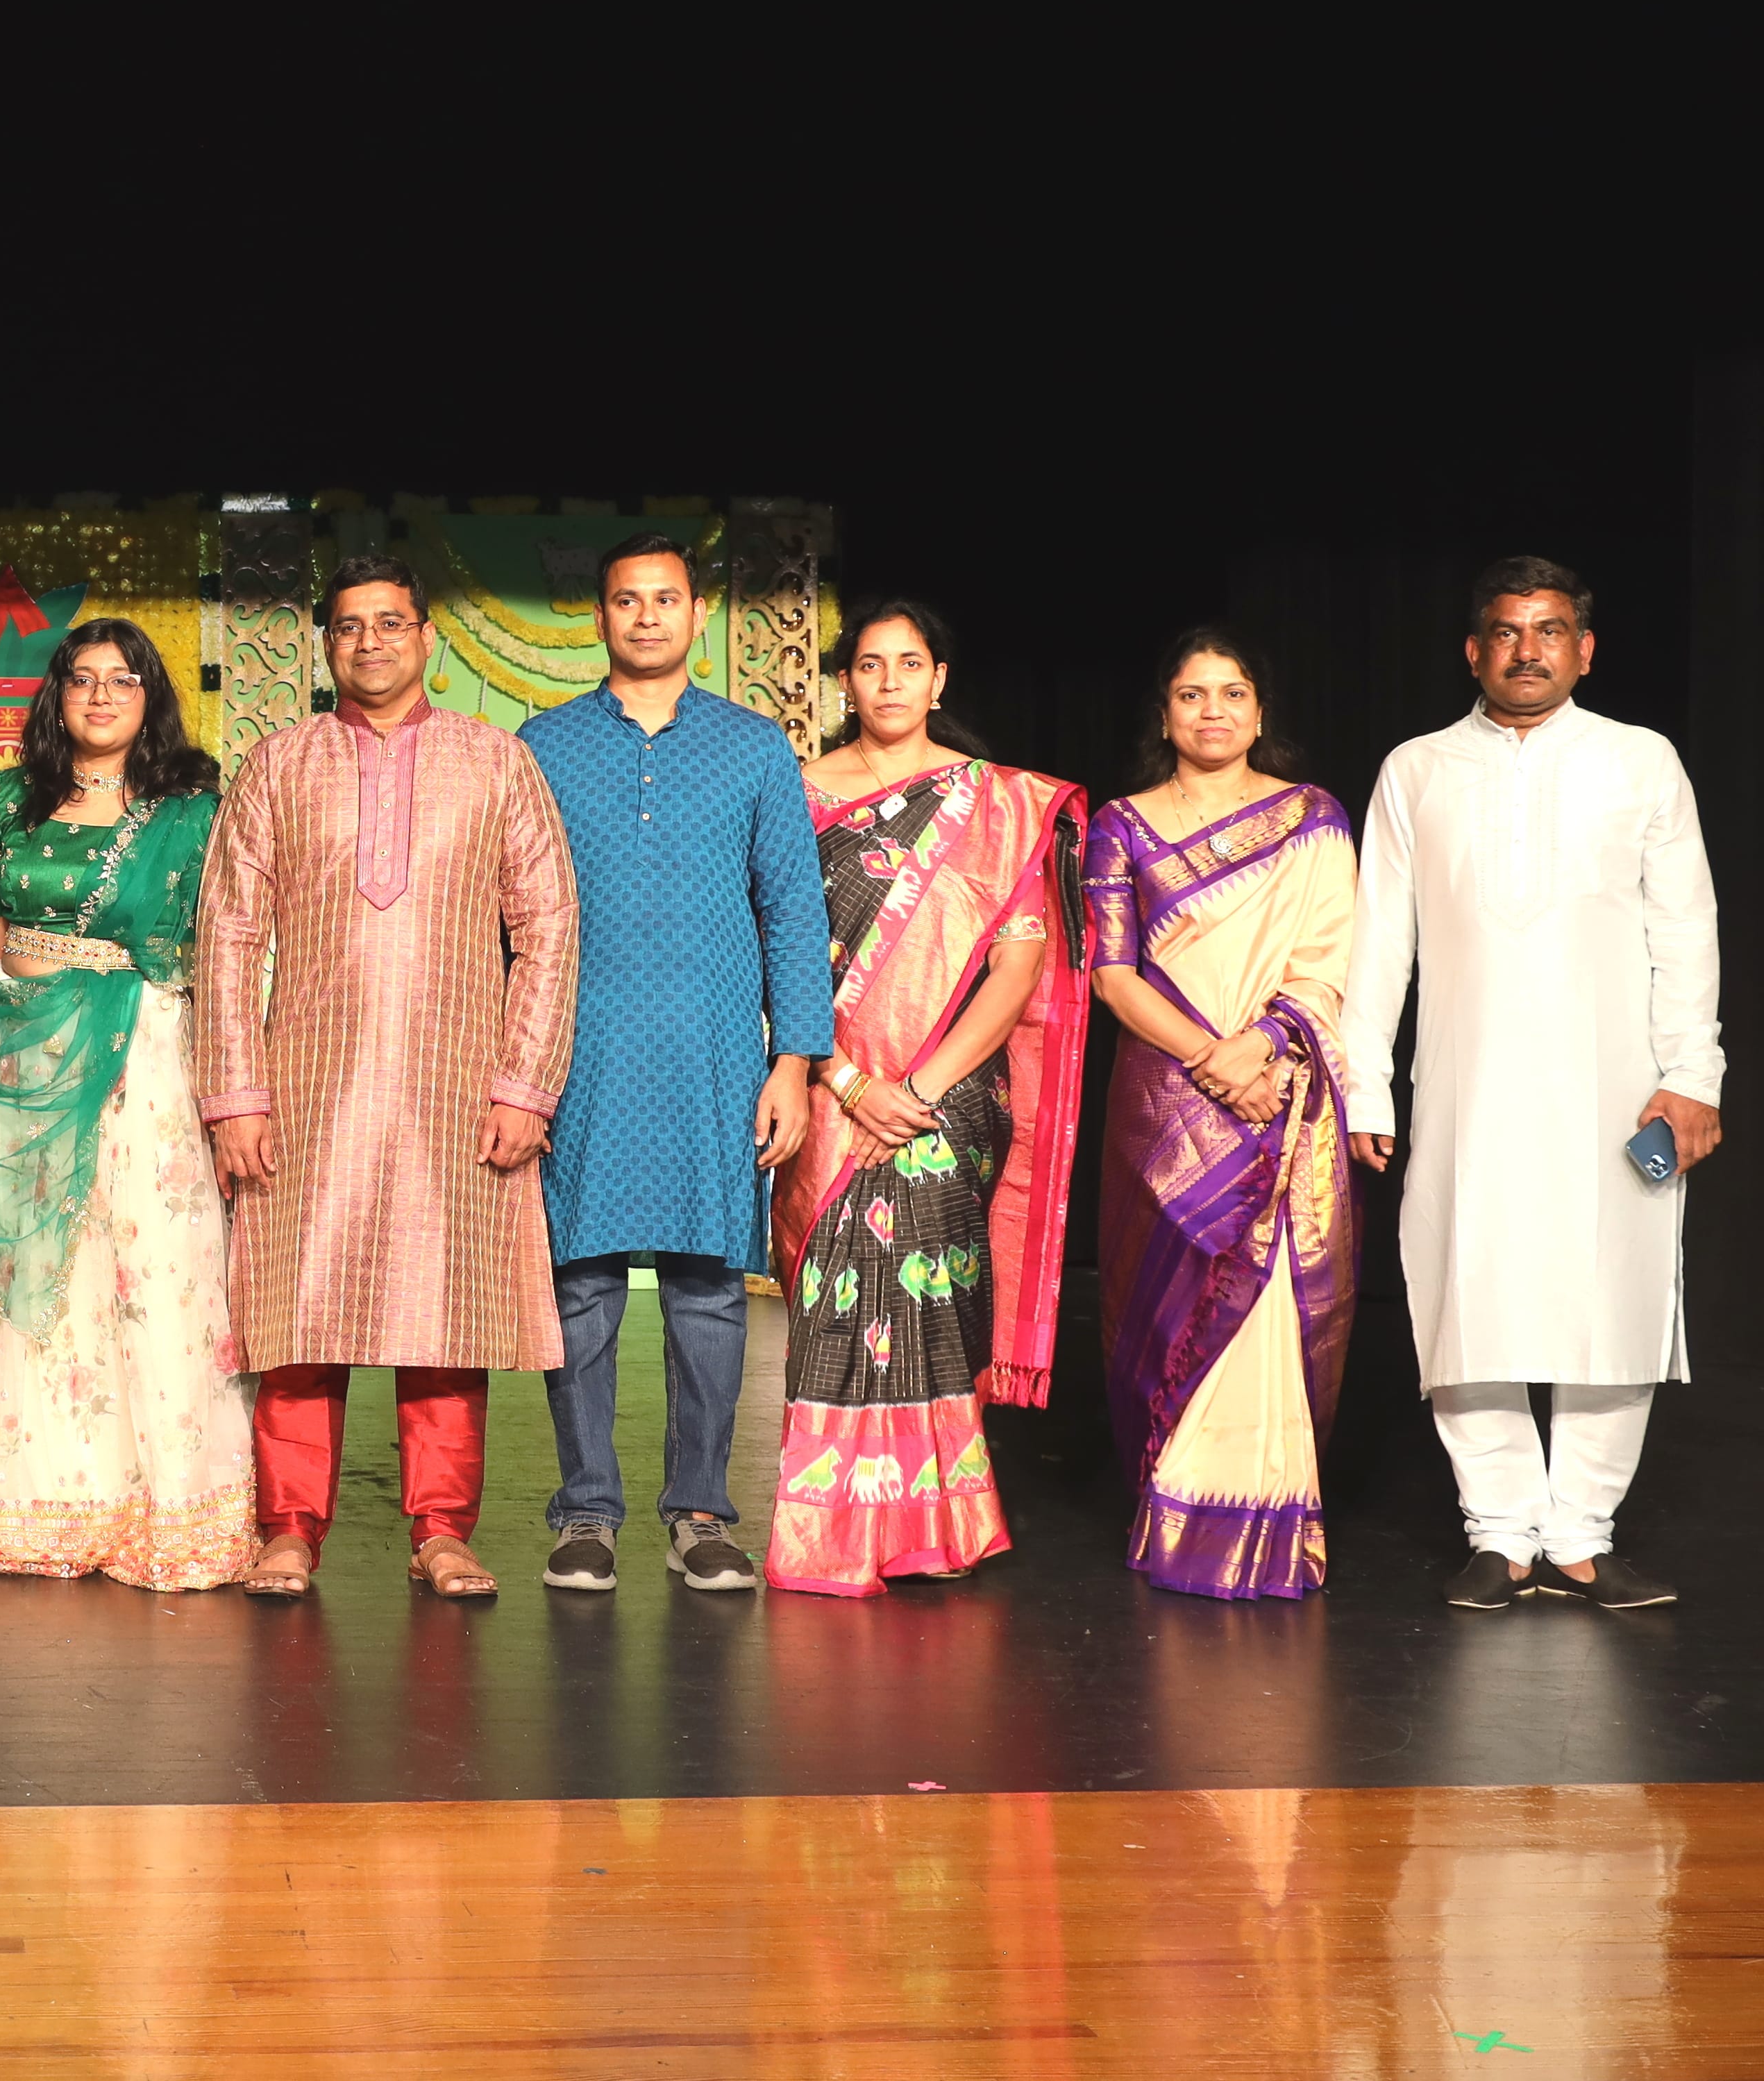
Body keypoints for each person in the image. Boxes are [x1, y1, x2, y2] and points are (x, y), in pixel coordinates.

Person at [195, 553, 578, 1602]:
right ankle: (288, 1529)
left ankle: (443, 1530)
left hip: (456, 1088)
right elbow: (227, 936)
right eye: (350, 626)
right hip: (305, 1088)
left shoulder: (498, 762)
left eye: (391, 623)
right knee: (296, 1317)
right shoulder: (278, 765)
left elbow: (548, 927)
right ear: (328, 645)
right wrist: (235, 1097)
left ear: (427, 639)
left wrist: (524, 1085)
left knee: (445, 1316)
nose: (371, 642)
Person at [1343, 559, 1723, 1614]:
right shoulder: (1417, 769)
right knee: (1465, 1287)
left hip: (1620, 1086)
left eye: (1550, 631)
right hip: (1466, 1080)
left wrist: (1693, 1074)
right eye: (1507, 632)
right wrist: (1366, 1083)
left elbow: (1686, 927)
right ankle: (1501, 1532)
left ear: (1584, 651)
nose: (1528, 650)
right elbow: (1380, 939)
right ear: (1474, 651)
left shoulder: (1641, 761)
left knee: (1616, 1293)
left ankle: (1584, 1535)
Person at [0, 620, 260, 1592]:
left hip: (142, 1054)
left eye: (124, 679)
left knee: (146, 1266)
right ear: (56, 694)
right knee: (24, 1265)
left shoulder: (192, 809)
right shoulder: (3, 799)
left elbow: (223, 951)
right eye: (83, 679)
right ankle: (16, 1504)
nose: (102, 697)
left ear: (153, 697)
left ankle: (162, 1511)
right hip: (17, 1055)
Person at [516, 532, 837, 1598]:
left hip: (714, 1054)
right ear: (599, 618)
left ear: (699, 616)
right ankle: (587, 1512)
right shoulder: (543, 745)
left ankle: (700, 1514)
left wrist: (793, 1062)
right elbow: (508, 912)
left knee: (708, 1287)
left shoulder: (753, 748)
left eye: (666, 599)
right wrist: (518, 1068)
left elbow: (793, 911)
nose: (647, 616)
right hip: (581, 1051)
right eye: (627, 600)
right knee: (581, 1285)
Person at [768, 598, 1089, 1599]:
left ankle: (935, 1525)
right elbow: (771, 953)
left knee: (931, 1297)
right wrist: (847, 1079)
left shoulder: (993, 803)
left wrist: (917, 1087)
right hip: (827, 1090)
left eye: (910, 664)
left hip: (946, 1101)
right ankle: (833, 1532)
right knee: (830, 1299)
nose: (891, 682)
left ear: (940, 679)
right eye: (871, 665)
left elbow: (1015, 968)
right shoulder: (795, 794)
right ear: (844, 682)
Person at [1085, 632, 1360, 1601]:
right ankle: (1172, 1516)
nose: (1213, 711)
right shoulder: (1120, 825)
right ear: (1164, 715)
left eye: (1232, 693)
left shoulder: (1312, 819)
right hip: (1164, 1105)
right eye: (1192, 694)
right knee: (1161, 1307)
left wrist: (1267, 1047)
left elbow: (1329, 960)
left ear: (1260, 711)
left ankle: (1267, 1519)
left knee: (1271, 1304)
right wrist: (1216, 1060)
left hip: (1283, 1094)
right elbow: (1112, 976)